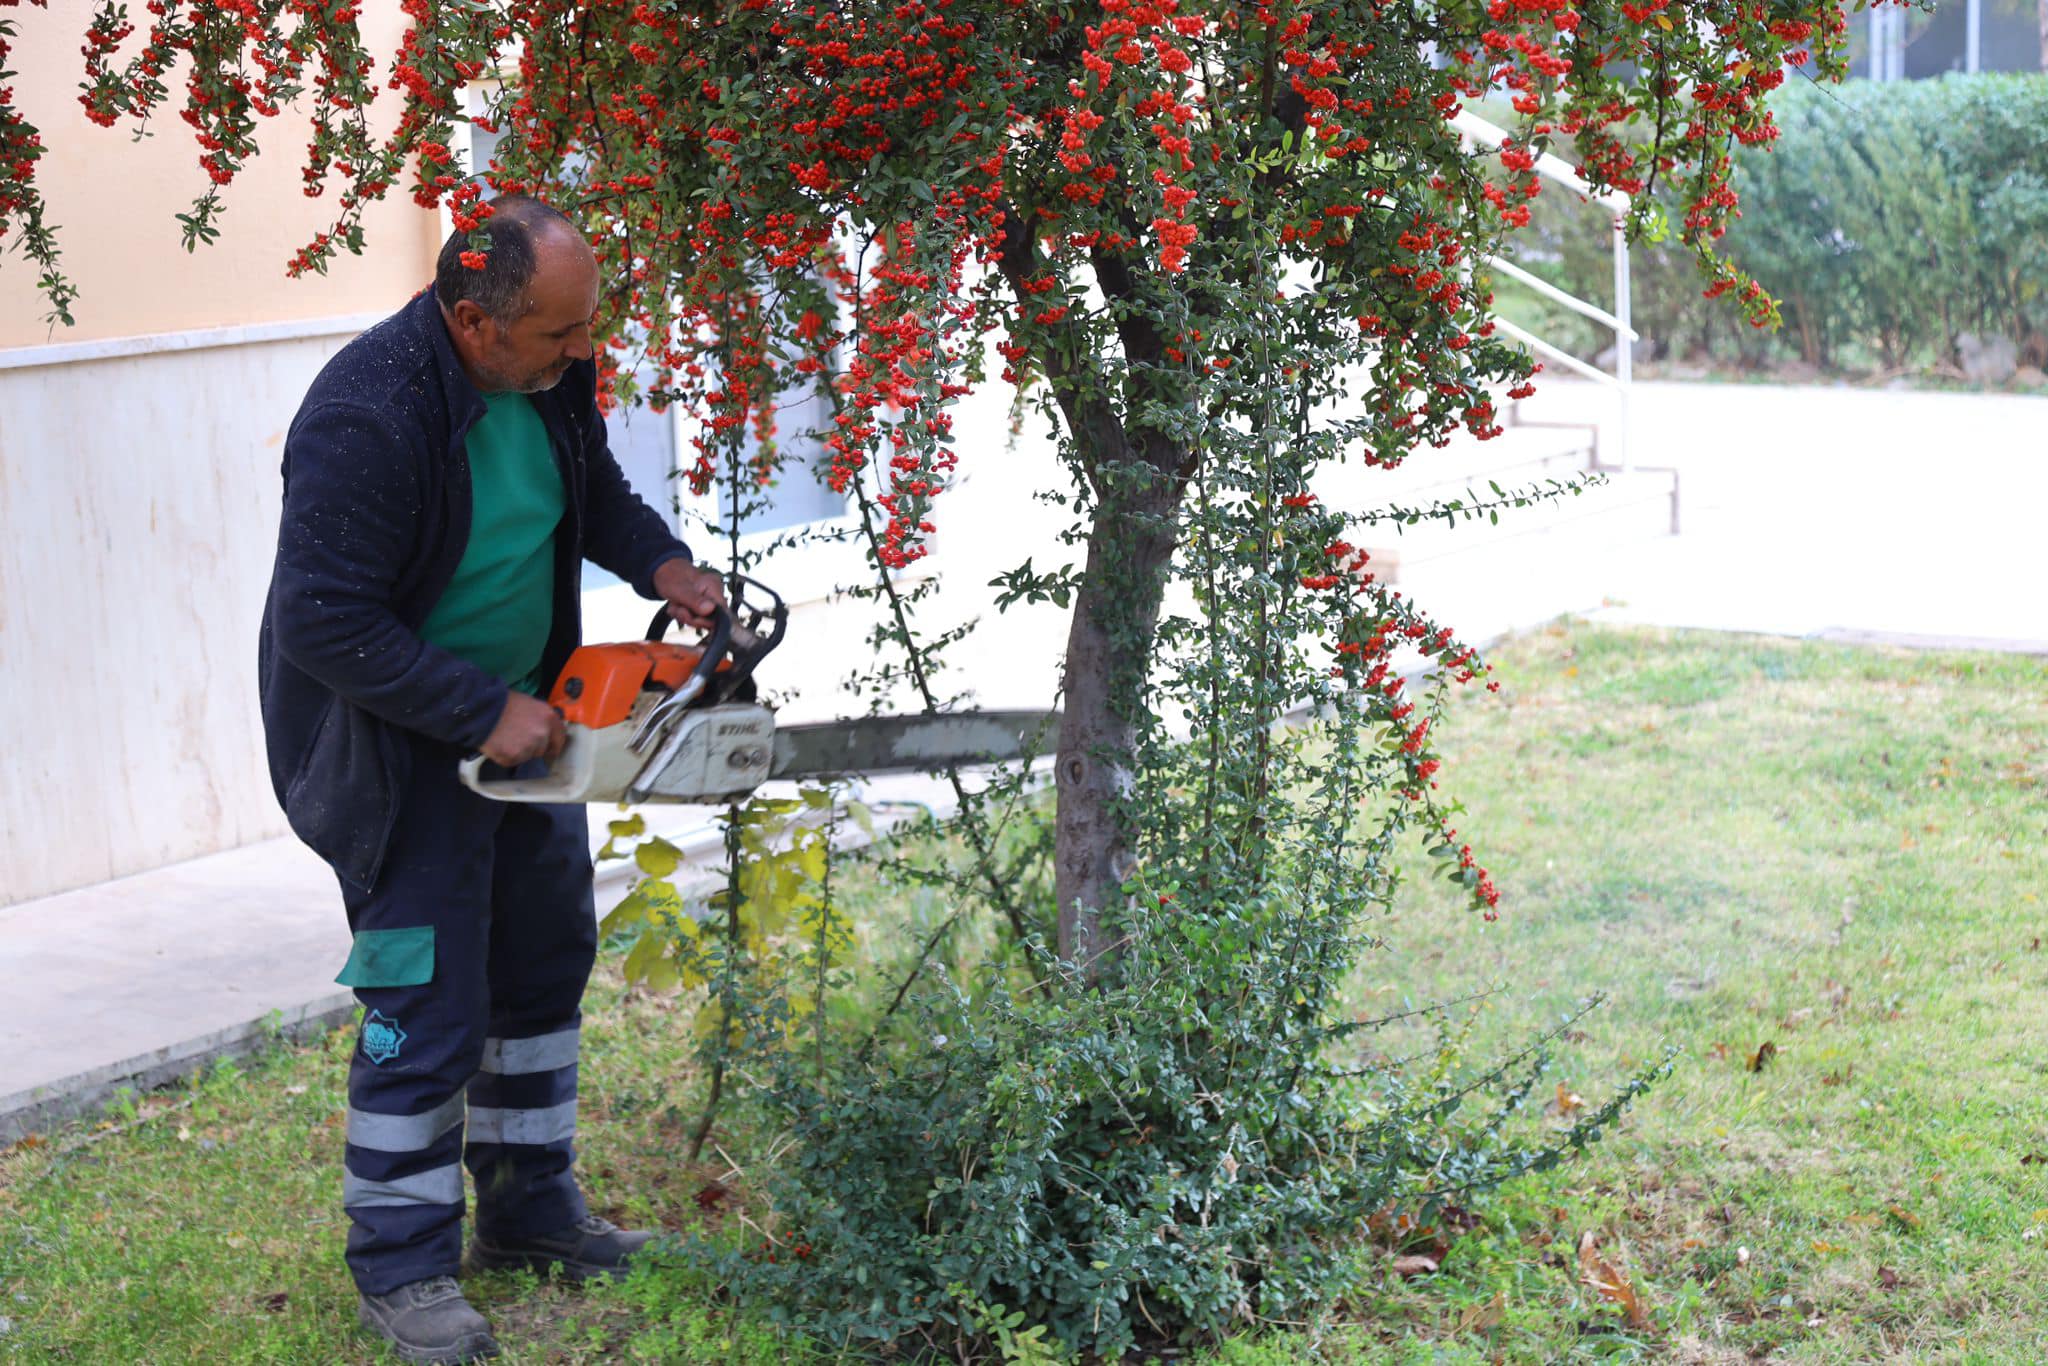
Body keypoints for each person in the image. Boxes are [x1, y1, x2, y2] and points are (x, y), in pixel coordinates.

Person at [257, 195, 724, 1365]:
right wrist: (477, 707)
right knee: (425, 1002)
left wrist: (663, 559)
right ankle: (404, 1268)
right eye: (561, 334)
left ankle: (528, 1209)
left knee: (538, 961)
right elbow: (322, 620)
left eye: (587, 329)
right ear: (473, 321)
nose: (584, 352)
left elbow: (593, 492)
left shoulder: (551, 370)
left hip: (528, 722)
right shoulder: (368, 413)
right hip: (398, 744)